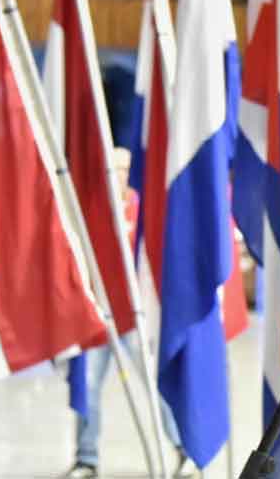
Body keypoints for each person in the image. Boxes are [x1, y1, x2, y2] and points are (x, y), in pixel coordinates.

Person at [63, 148, 196, 479]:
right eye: (112, 168)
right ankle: (86, 459)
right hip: (99, 317)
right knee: (88, 386)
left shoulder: (143, 209)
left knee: (157, 385)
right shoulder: (93, 211)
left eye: (123, 168)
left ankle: (184, 450)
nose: (118, 175)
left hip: (136, 319)